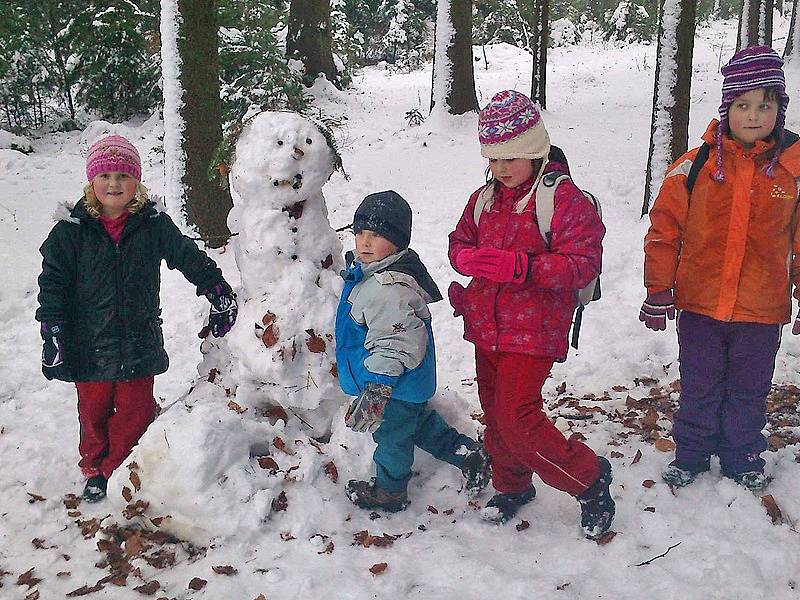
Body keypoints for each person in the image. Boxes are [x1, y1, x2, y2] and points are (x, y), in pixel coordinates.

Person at [448, 90, 614, 539]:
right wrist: (469, 261)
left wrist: (521, 267)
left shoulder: (561, 199)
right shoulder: (485, 198)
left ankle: (590, 479)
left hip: (535, 330)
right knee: (495, 412)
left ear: (536, 150)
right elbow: (458, 241)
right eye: (494, 159)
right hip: (488, 327)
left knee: (518, 416)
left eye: (512, 158)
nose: (501, 169)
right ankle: (512, 485)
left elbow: (583, 263)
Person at [36, 134, 238, 503]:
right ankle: (94, 465)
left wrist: (215, 287)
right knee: (93, 411)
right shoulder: (70, 232)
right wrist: (53, 329)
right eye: (105, 176)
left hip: (137, 339)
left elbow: (186, 256)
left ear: (137, 183)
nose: (114, 184)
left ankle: (117, 465)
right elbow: (53, 283)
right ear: (91, 182)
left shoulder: (153, 225)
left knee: (135, 409)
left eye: (123, 176)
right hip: (88, 342)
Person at [641, 46, 800, 493]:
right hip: (700, 304)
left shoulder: (793, 171)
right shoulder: (695, 167)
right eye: (742, 105)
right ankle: (691, 452)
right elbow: (664, 231)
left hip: (761, 308)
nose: (753, 115)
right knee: (700, 382)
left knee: (749, 388)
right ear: (727, 108)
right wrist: (658, 289)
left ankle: (742, 453)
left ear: (779, 109)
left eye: (764, 105)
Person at [335, 190, 491, 512]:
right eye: (359, 233)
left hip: (391, 385)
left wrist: (377, 389)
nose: (364, 242)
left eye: (376, 235)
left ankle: (390, 491)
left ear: (397, 242)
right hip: (404, 384)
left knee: (392, 438)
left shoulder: (388, 288)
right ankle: (469, 455)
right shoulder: (373, 275)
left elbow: (396, 344)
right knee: (420, 426)